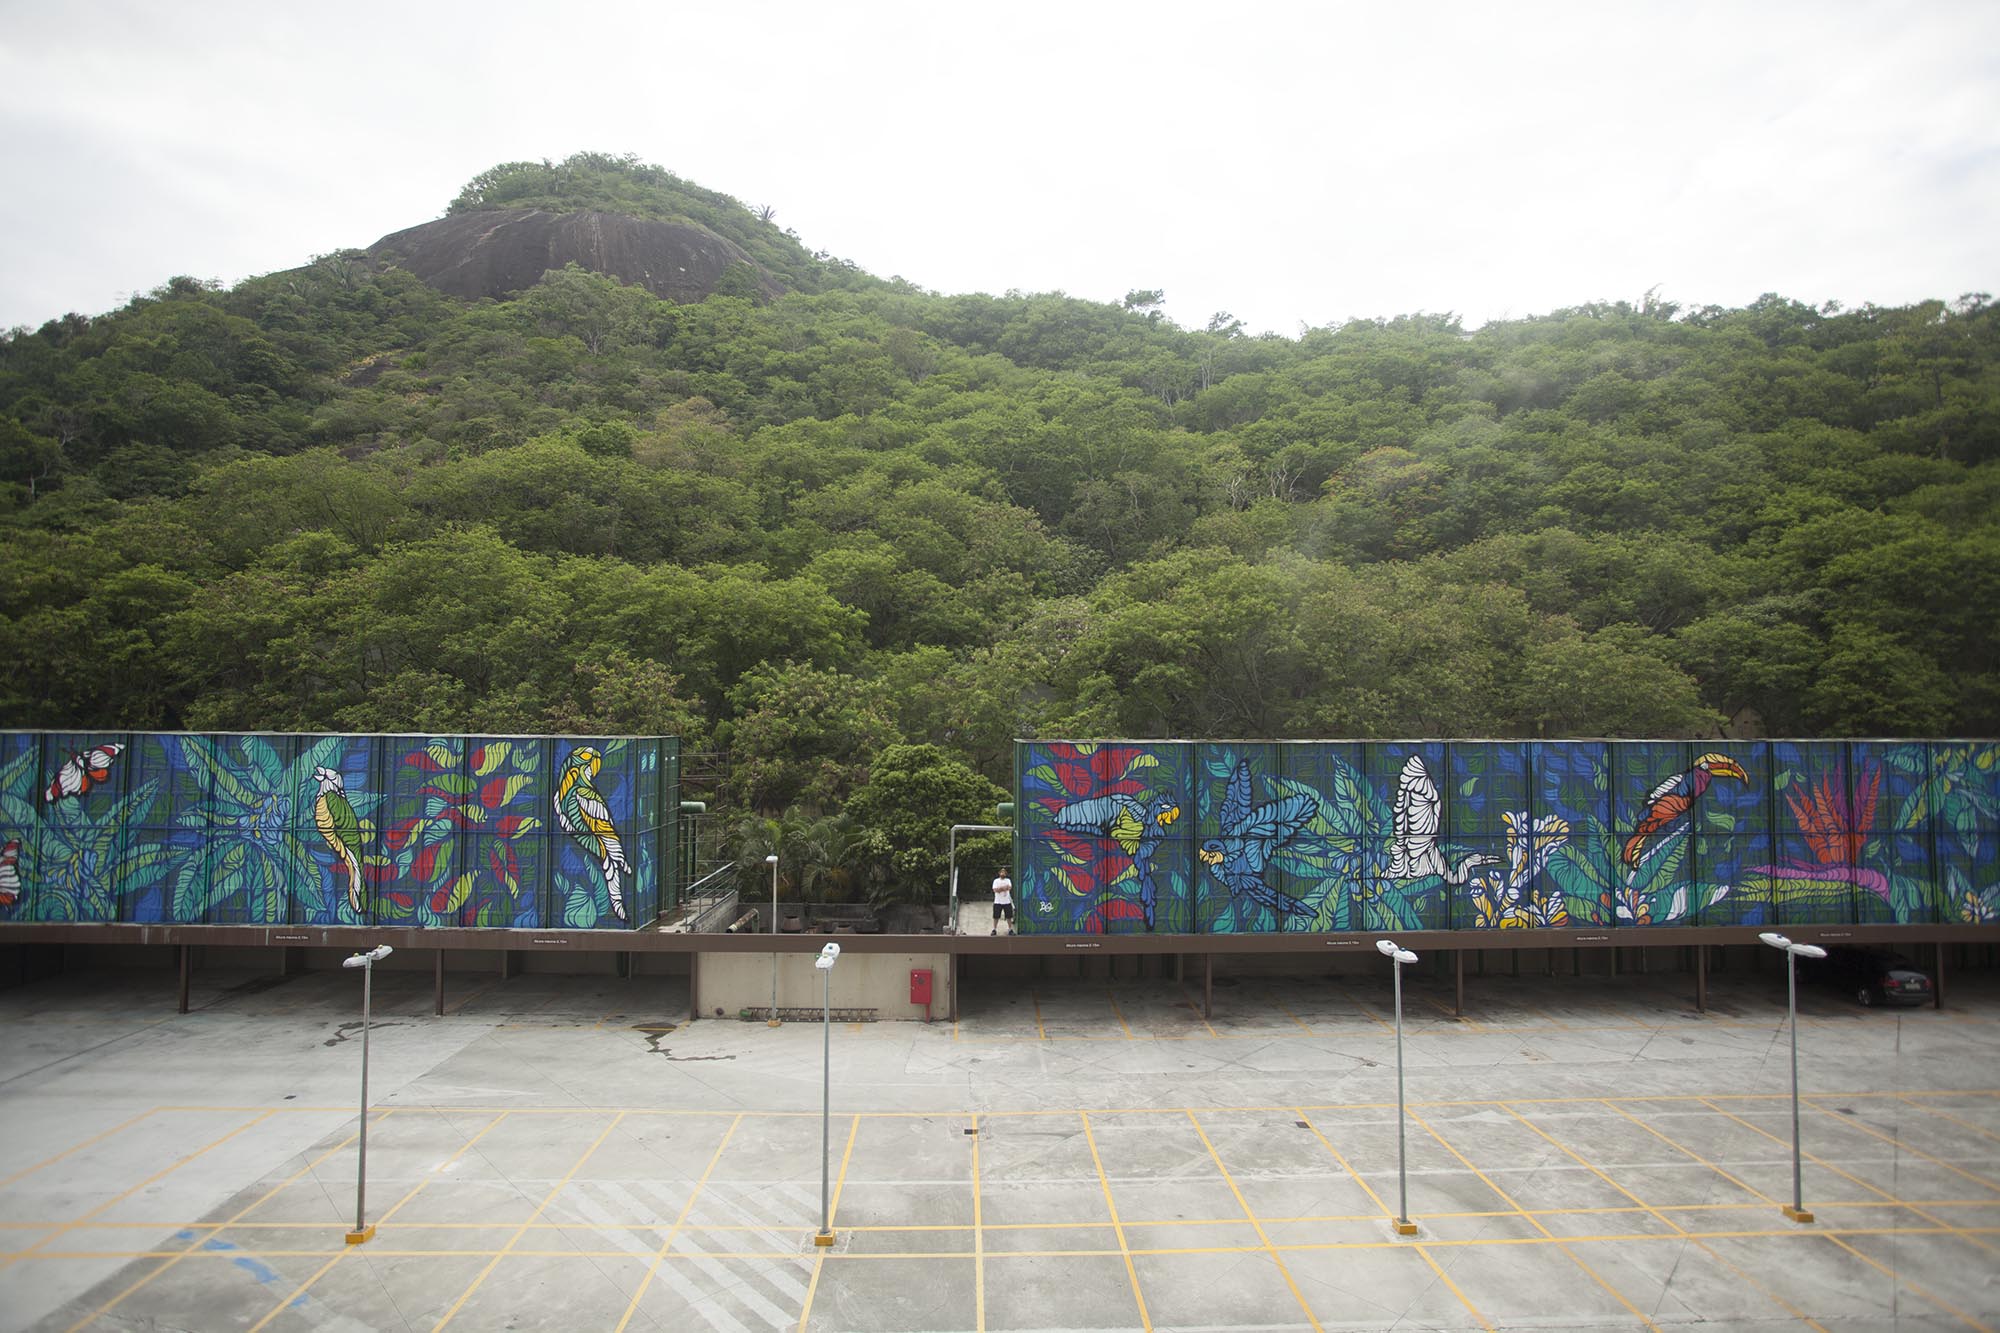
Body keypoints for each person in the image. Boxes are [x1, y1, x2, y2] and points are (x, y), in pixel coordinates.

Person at [990, 868, 1014, 935]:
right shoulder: (996, 881)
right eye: (1001, 872)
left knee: (1009, 916)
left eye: (1004, 872)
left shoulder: (1008, 880)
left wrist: (1000, 889)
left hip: (1007, 901)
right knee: (996, 916)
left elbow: (1009, 888)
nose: (1003, 873)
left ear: (1006, 874)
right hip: (998, 901)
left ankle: (1010, 929)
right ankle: (994, 929)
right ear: (999, 873)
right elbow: (995, 890)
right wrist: (1003, 888)